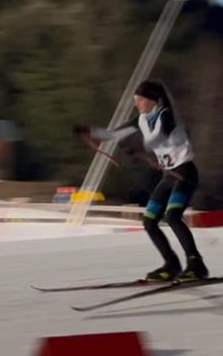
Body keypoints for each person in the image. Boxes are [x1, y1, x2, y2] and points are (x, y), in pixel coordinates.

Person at [76, 80, 209, 282]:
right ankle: (171, 264)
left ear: (152, 100)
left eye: (140, 100)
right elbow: (113, 134)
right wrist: (91, 133)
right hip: (168, 176)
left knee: (172, 216)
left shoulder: (166, 115)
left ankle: (196, 264)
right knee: (149, 221)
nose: (137, 103)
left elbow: (157, 138)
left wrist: (139, 147)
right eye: (135, 100)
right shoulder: (141, 119)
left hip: (184, 173)